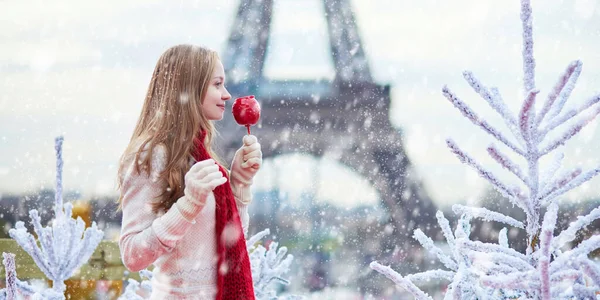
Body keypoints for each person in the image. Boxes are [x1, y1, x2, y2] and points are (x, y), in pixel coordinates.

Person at [117, 44, 262, 300]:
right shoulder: (152, 157)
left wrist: (239, 185)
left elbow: (228, 243)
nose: (227, 94)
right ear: (189, 88)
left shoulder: (202, 159)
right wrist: (188, 205)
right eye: (217, 84)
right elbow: (132, 255)